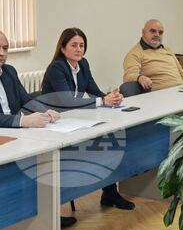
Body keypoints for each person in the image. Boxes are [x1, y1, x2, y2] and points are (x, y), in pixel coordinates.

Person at [41, 28, 134, 211]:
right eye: (74, 45)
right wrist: (101, 101)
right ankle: (53, 208)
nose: (78, 49)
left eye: (82, 45)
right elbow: (67, 101)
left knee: (108, 142)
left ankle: (110, 193)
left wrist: (110, 97)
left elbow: (94, 90)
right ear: (62, 48)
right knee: (98, 146)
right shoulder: (57, 68)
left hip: (74, 120)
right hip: (53, 124)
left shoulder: (82, 65)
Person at [122, 20, 183, 92]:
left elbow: (182, 73)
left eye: (160, 32)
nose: (157, 35)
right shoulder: (135, 53)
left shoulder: (167, 50)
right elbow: (128, 76)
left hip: (181, 91)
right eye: (153, 31)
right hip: (161, 96)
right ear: (143, 32)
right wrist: (140, 78)